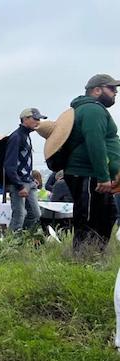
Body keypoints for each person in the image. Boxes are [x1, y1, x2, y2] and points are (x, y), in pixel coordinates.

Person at [63, 74, 120, 253]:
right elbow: (95, 143)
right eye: (111, 88)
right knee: (88, 220)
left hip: (90, 173)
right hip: (88, 173)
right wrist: (103, 177)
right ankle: (82, 259)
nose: (116, 92)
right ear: (97, 90)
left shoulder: (91, 109)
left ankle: (95, 256)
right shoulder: (92, 110)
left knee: (106, 216)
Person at [4, 108, 46, 232]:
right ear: (25, 119)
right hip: (19, 182)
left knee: (35, 214)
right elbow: (10, 164)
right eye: (35, 119)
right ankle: (11, 244)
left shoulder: (25, 136)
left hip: (27, 181)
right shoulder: (17, 137)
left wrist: (30, 178)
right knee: (19, 215)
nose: (38, 122)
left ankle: (25, 239)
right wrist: (19, 185)